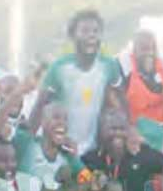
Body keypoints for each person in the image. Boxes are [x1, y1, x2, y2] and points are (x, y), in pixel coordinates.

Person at [29, 9, 122, 153]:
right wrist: (28, 142)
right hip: (62, 147)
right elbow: (40, 105)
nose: (91, 35)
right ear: (73, 36)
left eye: (96, 31)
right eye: (85, 31)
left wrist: (129, 129)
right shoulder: (59, 68)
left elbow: (119, 103)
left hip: (93, 150)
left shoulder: (109, 66)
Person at [118, 30, 163, 123]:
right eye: (143, 48)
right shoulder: (124, 65)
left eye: (152, 48)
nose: (149, 53)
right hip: (135, 128)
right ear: (134, 49)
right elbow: (112, 96)